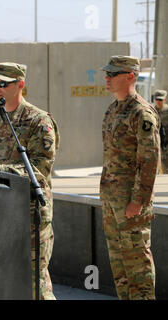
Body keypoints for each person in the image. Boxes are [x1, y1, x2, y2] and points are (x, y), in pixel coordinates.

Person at [0, 62, 60, 300]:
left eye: (3, 84)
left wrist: (0, 169)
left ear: (20, 85)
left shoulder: (38, 121)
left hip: (30, 212)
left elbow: (40, 168)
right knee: (4, 282)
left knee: (35, 283)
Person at [100, 55, 160, 300]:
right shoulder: (113, 110)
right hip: (112, 201)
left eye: (112, 74)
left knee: (137, 264)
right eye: (107, 73)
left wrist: (138, 200)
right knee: (119, 265)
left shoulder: (142, 113)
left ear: (130, 76)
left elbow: (149, 160)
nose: (107, 78)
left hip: (131, 203)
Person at [153, 89, 168, 173]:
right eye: (157, 99)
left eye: (161, 100)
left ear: (164, 100)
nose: (159, 102)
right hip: (155, 144)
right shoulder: (151, 111)